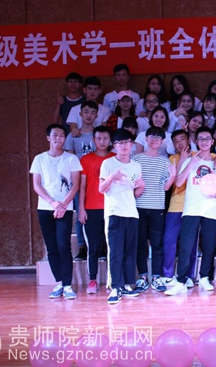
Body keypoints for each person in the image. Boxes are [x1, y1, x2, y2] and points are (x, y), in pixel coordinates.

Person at [165, 127, 216, 295]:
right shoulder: (189, 160)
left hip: (210, 209)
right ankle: (181, 280)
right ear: (196, 142)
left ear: (212, 141)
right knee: (186, 245)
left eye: (207, 139)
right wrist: (191, 163)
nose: (204, 142)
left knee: (208, 245)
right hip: (191, 208)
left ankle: (205, 277)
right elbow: (178, 183)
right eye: (201, 139)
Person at [30, 124, 82, 300]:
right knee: (51, 247)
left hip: (65, 208)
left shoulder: (71, 159)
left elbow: (75, 185)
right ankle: (59, 283)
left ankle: (68, 285)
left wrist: (63, 205)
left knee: (63, 246)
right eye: (55, 135)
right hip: (45, 208)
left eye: (61, 135)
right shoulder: (39, 159)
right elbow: (37, 185)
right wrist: (52, 203)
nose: (58, 138)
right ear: (48, 138)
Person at [99, 129, 145, 304]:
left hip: (131, 213)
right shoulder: (108, 164)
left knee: (129, 251)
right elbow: (101, 189)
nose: (124, 146)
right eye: (120, 143)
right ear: (115, 146)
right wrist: (112, 177)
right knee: (115, 251)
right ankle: (115, 287)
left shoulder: (136, 166)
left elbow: (136, 193)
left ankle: (127, 284)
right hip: (114, 212)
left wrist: (141, 186)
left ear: (132, 144)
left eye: (127, 142)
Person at [132, 127, 176, 293]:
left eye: (158, 138)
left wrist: (173, 176)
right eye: (151, 137)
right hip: (139, 207)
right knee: (140, 244)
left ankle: (156, 277)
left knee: (157, 245)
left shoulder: (165, 161)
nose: (154, 140)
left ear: (162, 141)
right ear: (146, 138)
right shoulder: (136, 159)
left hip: (157, 208)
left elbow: (166, 187)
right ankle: (143, 277)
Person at [78, 126, 115, 295]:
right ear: (93, 140)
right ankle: (92, 280)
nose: (102, 141)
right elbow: (82, 186)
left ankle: (113, 280)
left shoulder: (115, 158)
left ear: (110, 140)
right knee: (93, 247)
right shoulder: (86, 159)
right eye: (99, 138)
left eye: (105, 138)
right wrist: (81, 209)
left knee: (111, 247)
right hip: (91, 209)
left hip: (112, 208)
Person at [64, 101, 99, 260]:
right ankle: (82, 246)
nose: (89, 115)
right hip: (79, 179)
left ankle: (100, 245)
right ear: (80, 114)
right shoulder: (73, 135)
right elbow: (69, 159)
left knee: (99, 213)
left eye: (92, 112)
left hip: (97, 179)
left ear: (96, 115)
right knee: (80, 212)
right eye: (86, 112)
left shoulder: (99, 134)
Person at [162, 130, 194, 288]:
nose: (180, 143)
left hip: (193, 206)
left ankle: (189, 276)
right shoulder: (172, 159)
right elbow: (174, 183)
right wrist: (181, 160)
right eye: (176, 141)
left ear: (189, 140)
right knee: (169, 241)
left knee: (190, 244)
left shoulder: (198, 156)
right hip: (175, 205)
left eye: (182, 139)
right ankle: (168, 274)